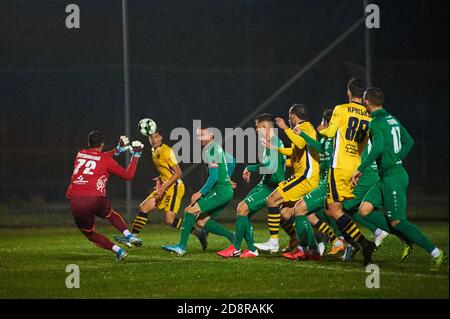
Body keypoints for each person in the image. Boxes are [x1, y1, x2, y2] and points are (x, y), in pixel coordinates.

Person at [352, 87, 447, 271]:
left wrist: (360, 168)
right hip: (385, 176)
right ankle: (404, 236)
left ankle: (436, 252)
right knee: (364, 210)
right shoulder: (392, 118)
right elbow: (409, 141)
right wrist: (398, 156)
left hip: (393, 176)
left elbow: (378, 148)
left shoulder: (375, 123)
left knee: (398, 221)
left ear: (366, 102)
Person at [318, 78, 377, 266]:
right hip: (354, 168)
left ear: (349, 92)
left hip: (339, 166)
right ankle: (357, 242)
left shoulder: (341, 109)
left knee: (334, 210)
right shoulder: (369, 116)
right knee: (331, 209)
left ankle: (362, 243)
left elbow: (329, 132)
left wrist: (321, 130)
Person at [66, 131, 143, 261]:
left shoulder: (80, 154)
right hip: (96, 198)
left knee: (90, 234)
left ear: (88, 143)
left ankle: (119, 251)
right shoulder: (105, 159)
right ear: (102, 144)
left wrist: (117, 150)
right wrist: (135, 155)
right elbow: (128, 175)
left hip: (76, 200)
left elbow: (97, 157)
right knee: (110, 214)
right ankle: (129, 235)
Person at [217, 113, 286, 258]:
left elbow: (272, 168)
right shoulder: (269, 142)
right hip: (264, 184)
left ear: (264, 127)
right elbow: (268, 166)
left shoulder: (274, 141)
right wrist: (252, 167)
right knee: (243, 211)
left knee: (242, 208)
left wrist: (251, 168)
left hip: (271, 188)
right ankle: (251, 249)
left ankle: (236, 248)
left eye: (257, 128)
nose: (256, 131)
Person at [254, 104, 320, 254]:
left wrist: (285, 128)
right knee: (285, 213)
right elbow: (295, 150)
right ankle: (312, 245)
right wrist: (275, 148)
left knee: (272, 200)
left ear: (293, 116)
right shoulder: (304, 128)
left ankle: (273, 242)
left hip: (306, 177)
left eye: (289, 117)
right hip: (303, 176)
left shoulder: (305, 127)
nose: (288, 120)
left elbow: (300, 143)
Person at [162, 124, 236, 256]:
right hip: (224, 191)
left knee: (189, 211)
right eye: (197, 135)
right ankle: (233, 237)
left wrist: (199, 193)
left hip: (220, 192)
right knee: (201, 221)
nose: (199, 138)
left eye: (202, 134)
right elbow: (231, 160)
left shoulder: (211, 150)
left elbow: (213, 177)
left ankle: (181, 247)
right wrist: (227, 177)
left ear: (211, 135)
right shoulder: (215, 148)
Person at [127, 130, 207, 249]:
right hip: (165, 186)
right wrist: (160, 180)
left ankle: (199, 232)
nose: (153, 140)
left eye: (156, 137)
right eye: (151, 137)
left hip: (174, 187)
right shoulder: (153, 151)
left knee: (169, 221)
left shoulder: (167, 151)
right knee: (143, 207)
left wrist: (163, 187)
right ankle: (132, 238)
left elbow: (178, 173)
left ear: (161, 138)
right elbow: (166, 171)